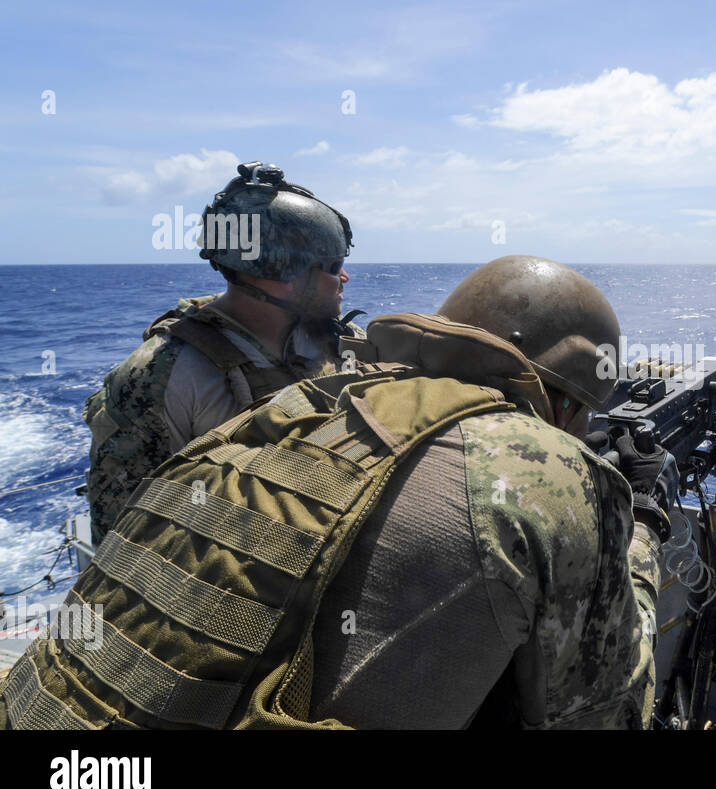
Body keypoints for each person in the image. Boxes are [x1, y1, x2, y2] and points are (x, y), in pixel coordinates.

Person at [0, 255, 667, 730]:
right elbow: (609, 713)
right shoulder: (546, 467)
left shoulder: (303, 405)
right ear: (572, 407)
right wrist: (635, 526)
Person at [82, 161, 363, 544]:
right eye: (334, 266)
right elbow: (123, 537)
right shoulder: (162, 376)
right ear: (284, 272)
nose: (344, 278)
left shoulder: (340, 340)